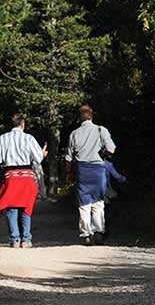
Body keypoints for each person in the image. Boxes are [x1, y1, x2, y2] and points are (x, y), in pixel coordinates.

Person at [0, 114, 47, 248]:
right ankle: (26, 239)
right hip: (27, 176)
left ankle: (14, 239)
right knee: (26, 207)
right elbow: (38, 158)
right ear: (22, 124)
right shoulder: (29, 138)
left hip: (10, 176)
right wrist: (43, 154)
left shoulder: (3, 138)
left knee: (11, 206)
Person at [64, 105, 116, 246]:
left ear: (79, 118)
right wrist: (102, 155)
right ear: (91, 116)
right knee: (98, 202)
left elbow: (69, 157)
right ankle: (99, 231)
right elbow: (112, 148)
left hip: (82, 170)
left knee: (84, 203)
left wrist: (69, 173)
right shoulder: (101, 130)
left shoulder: (74, 134)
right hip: (98, 169)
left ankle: (86, 234)